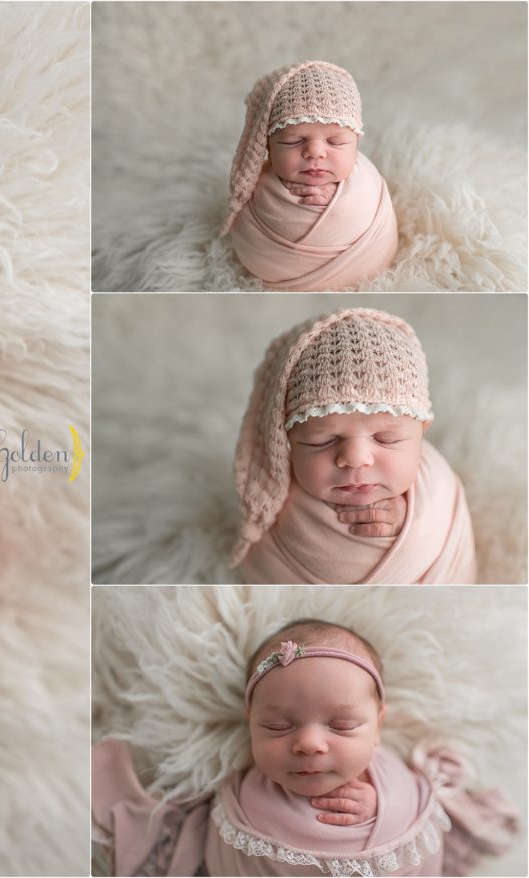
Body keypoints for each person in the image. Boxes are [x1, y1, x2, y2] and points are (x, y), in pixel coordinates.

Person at [92, 619, 518, 876]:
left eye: (342, 724)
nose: (310, 743)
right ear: (250, 725)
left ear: (377, 726)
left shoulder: (396, 780)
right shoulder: (238, 800)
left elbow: (416, 823)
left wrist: (378, 807)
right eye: (277, 726)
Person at [230, 307, 475, 583]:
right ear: (285, 440)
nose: (356, 458)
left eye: (386, 439)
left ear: (421, 431)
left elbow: (445, 530)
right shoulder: (276, 504)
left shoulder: (438, 484)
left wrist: (412, 523)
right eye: (323, 441)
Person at [220, 61, 398, 291]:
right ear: (267, 146)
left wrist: (342, 204)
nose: (315, 152)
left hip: (369, 261)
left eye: (335, 141)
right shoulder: (257, 189)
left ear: (356, 142)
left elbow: (372, 208)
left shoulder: (367, 180)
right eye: (293, 141)